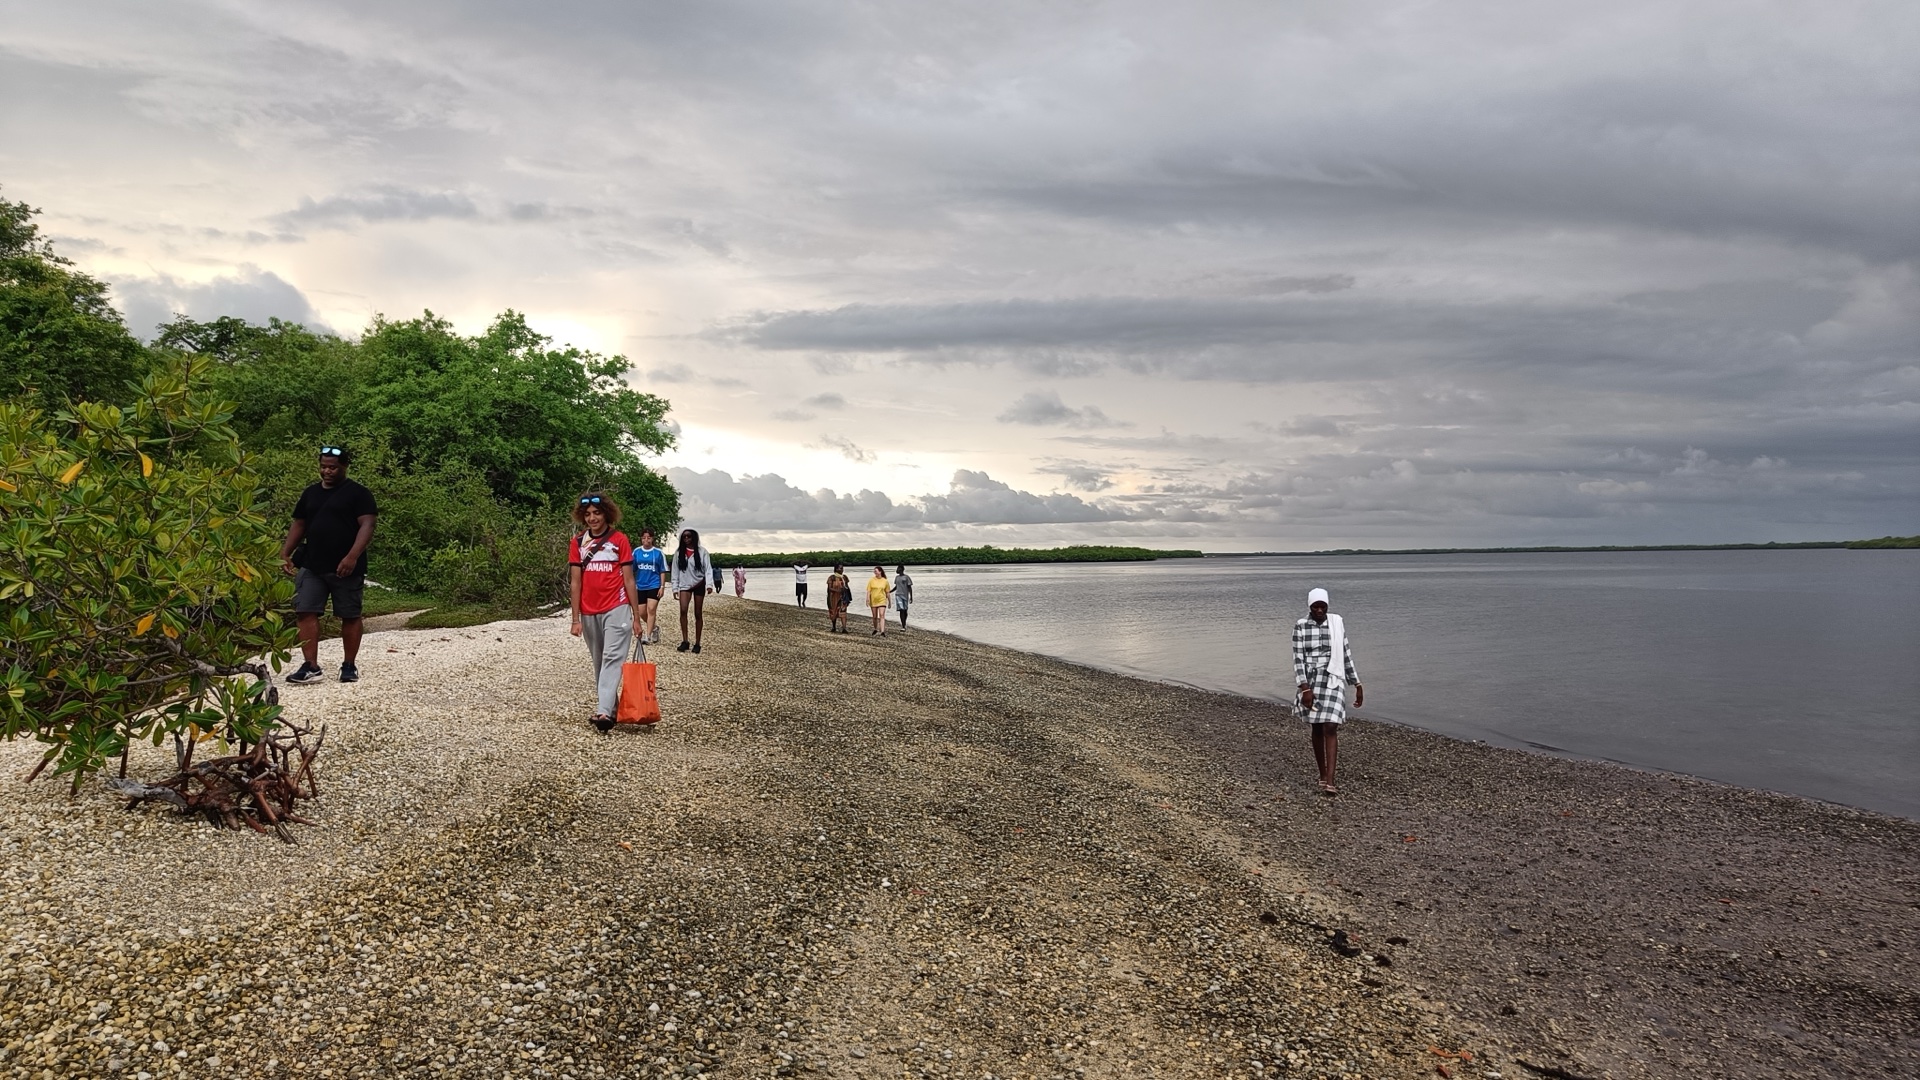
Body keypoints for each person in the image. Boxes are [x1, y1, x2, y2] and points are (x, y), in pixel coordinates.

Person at [279, 445, 377, 685]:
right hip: (313, 564)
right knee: (305, 611)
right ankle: (311, 666)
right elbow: (299, 524)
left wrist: (352, 556)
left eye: (332, 467)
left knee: (349, 614)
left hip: (346, 567)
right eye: (323, 466)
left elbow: (367, 525)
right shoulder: (310, 493)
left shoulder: (358, 493)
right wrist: (285, 552)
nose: (327, 471)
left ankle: (349, 665)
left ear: (344, 467)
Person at [568, 493, 641, 731]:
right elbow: (575, 582)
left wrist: (636, 617)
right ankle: (612, 708)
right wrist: (575, 618)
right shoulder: (578, 543)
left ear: (606, 514)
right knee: (599, 661)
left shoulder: (619, 540)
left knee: (612, 658)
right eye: (588, 514)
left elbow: (629, 580)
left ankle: (603, 713)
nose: (592, 518)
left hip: (617, 607)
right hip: (589, 611)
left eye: (597, 513)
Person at [1292, 587, 1364, 795]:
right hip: (1312, 679)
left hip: (1334, 678)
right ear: (1310, 606)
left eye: (1323, 607)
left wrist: (1357, 684)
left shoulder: (1336, 624)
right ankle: (1322, 774)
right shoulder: (1301, 626)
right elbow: (1298, 659)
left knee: (1331, 726)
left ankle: (1331, 780)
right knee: (1317, 727)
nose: (1320, 611)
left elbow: (1345, 654)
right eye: (1316, 607)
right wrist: (1304, 687)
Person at [671, 528, 714, 653]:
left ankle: (697, 643)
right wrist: (675, 587)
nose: (686, 539)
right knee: (683, 610)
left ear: (694, 538)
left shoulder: (702, 552)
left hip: (699, 583)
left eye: (689, 537)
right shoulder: (679, 552)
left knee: (698, 613)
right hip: (684, 584)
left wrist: (709, 585)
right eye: (684, 537)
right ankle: (685, 640)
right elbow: (675, 570)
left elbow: (708, 569)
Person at [631, 527, 668, 645]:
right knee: (641, 612)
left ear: (652, 539)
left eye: (649, 538)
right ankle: (655, 628)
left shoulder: (658, 553)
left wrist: (662, 586)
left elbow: (662, 570)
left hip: (654, 584)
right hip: (640, 585)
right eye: (644, 538)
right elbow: (631, 569)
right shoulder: (636, 552)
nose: (646, 540)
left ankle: (648, 636)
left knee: (651, 609)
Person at [866, 565, 892, 636]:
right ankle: (875, 628)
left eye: (876, 571)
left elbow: (887, 592)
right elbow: (868, 590)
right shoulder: (871, 580)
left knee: (882, 615)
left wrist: (889, 602)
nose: (875, 572)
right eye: (874, 571)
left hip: (882, 600)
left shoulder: (885, 581)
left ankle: (882, 631)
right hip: (873, 600)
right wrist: (867, 599)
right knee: (874, 616)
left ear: (880, 572)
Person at [825, 563, 850, 633]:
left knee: (843, 612)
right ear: (836, 569)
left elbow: (847, 587)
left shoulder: (844, 577)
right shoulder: (831, 578)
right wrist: (838, 590)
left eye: (842, 568)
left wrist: (848, 596)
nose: (842, 570)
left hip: (843, 598)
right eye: (840, 568)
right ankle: (834, 627)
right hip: (833, 598)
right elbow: (829, 588)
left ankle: (844, 628)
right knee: (834, 612)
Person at [892, 564, 914, 631]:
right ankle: (903, 626)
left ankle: (904, 622)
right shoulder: (897, 578)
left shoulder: (906, 577)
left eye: (898, 568)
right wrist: (890, 591)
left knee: (905, 611)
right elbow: (896, 587)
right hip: (898, 595)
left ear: (901, 569)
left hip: (905, 596)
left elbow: (909, 587)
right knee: (901, 610)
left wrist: (911, 597)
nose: (897, 570)